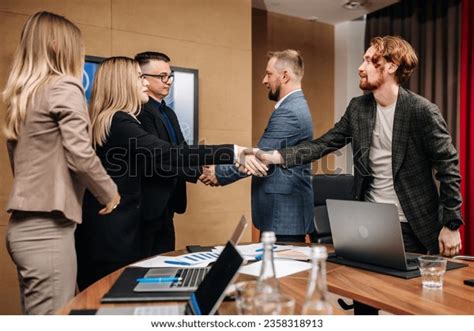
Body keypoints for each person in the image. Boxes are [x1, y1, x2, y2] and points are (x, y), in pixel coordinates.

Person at [257, 36, 463, 256]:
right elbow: (324, 144)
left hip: (413, 224)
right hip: (370, 222)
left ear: (391, 65)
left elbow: (448, 169)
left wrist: (451, 225)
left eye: (368, 61)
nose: (360, 68)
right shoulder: (358, 108)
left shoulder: (422, 111)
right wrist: (275, 156)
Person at [75, 56, 264, 290]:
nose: (144, 83)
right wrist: (233, 152)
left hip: (115, 232)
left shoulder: (117, 120)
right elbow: (167, 154)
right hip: (110, 237)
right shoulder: (119, 122)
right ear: (122, 84)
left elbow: (176, 152)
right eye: (138, 78)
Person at [2, 11, 120, 314]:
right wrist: (109, 191)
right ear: (57, 45)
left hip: (23, 228)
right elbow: (80, 154)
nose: (78, 53)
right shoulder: (63, 87)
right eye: (75, 45)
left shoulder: (24, 94)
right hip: (48, 230)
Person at [200, 50, 314, 242]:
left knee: (281, 272)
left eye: (269, 74)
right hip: (281, 214)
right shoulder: (293, 107)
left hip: (284, 216)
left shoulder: (290, 112)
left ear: (284, 76)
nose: (264, 80)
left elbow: (259, 157)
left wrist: (218, 173)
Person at [134, 51, 201, 256]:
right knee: (144, 264)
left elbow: (181, 151)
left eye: (170, 76)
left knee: (165, 260)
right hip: (147, 205)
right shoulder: (138, 111)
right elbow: (157, 159)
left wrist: (198, 168)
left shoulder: (168, 112)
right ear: (142, 78)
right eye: (162, 76)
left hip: (168, 204)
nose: (168, 81)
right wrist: (199, 173)